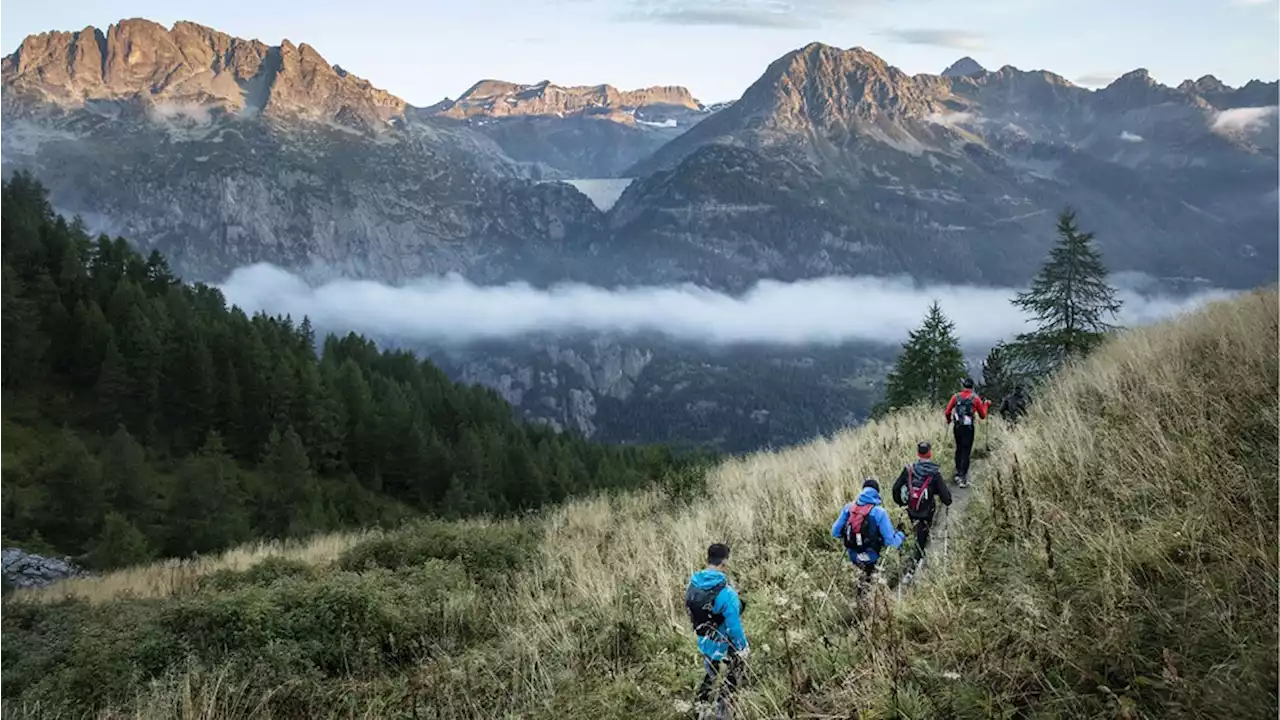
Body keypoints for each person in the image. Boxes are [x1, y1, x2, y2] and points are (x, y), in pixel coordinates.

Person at [686, 543, 749, 717]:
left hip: (705, 642)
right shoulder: (727, 593)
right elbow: (734, 627)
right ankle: (723, 714)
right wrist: (743, 648)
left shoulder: (692, 584)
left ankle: (701, 711)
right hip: (724, 644)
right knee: (731, 680)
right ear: (725, 562)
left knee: (710, 676)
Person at [832, 478, 906, 590]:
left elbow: (835, 532)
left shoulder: (849, 508)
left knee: (861, 580)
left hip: (853, 556)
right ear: (877, 493)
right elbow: (891, 542)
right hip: (871, 556)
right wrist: (901, 535)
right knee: (869, 580)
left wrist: (849, 534)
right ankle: (869, 597)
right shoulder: (879, 512)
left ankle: (860, 594)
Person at [892, 441, 952, 567]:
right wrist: (947, 500)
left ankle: (917, 553)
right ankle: (919, 560)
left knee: (917, 530)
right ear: (930, 453)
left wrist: (901, 503)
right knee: (923, 533)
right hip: (927, 511)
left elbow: (895, 488)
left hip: (912, 509)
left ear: (918, 453)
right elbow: (946, 498)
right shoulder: (934, 473)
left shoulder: (909, 470)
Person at [944, 378, 989, 487]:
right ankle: (962, 477)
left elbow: (947, 412)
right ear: (972, 387)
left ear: (963, 386)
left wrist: (949, 420)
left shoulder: (956, 397)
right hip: (968, 428)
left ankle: (957, 473)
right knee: (966, 450)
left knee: (958, 448)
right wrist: (986, 405)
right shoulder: (975, 398)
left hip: (957, 426)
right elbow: (983, 416)